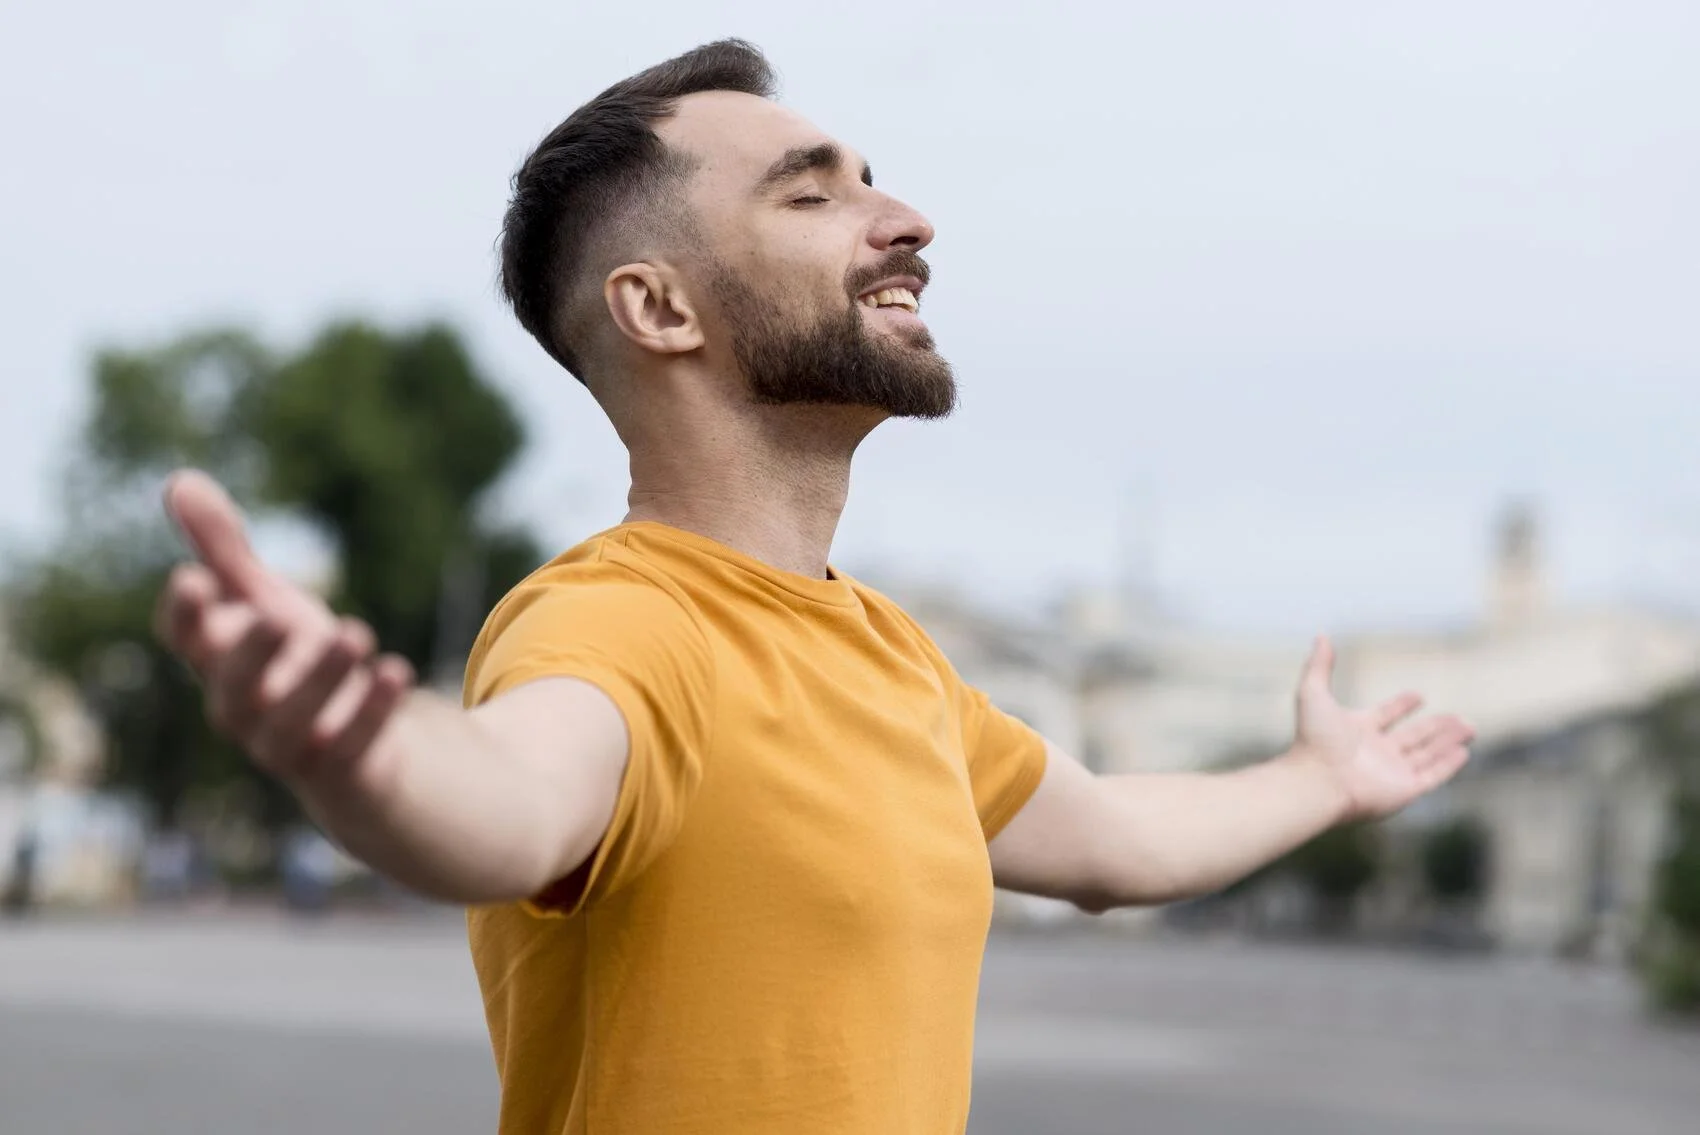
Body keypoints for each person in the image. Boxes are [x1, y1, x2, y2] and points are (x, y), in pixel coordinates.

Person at [153, 38, 1476, 1135]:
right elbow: (508, 802)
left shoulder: (890, 654)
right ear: (661, 309)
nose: (906, 221)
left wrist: (1328, 778)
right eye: (812, 194)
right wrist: (360, 756)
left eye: (872, 181)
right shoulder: (621, 623)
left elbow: (1118, 841)